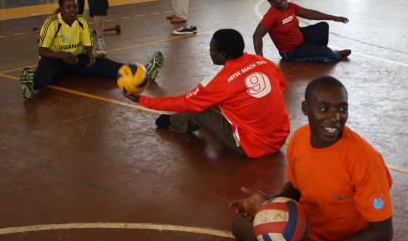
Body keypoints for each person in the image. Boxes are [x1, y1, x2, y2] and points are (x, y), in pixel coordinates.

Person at [228, 76, 394, 241]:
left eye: (342, 109)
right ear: (306, 108)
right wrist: (268, 204)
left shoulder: (366, 162)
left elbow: (383, 232)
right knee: (238, 227)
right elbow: (296, 185)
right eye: (324, 108)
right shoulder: (300, 139)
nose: (335, 118)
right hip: (303, 230)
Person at [124, 29, 289, 158]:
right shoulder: (265, 62)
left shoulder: (220, 82)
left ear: (222, 55)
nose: (209, 52)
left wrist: (143, 100)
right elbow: (281, 85)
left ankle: (172, 122)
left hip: (254, 146)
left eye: (212, 49)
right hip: (279, 138)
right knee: (221, 102)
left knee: (200, 111)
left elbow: (183, 102)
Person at [19, 0, 163, 101]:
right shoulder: (51, 23)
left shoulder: (82, 21)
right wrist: (62, 55)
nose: (72, 10)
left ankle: (145, 73)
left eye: (75, 6)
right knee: (45, 73)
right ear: (61, 9)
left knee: (104, 65)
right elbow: (41, 51)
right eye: (68, 7)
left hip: (76, 59)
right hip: (55, 59)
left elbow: (88, 44)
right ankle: (30, 86)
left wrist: (91, 55)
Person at [253, 0, 351, 63]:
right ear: (271, 3)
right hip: (291, 51)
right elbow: (256, 36)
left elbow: (310, 14)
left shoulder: (290, 6)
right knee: (327, 55)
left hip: (301, 38)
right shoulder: (271, 16)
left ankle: (315, 50)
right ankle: (331, 53)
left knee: (323, 27)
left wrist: (335, 18)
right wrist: (261, 60)